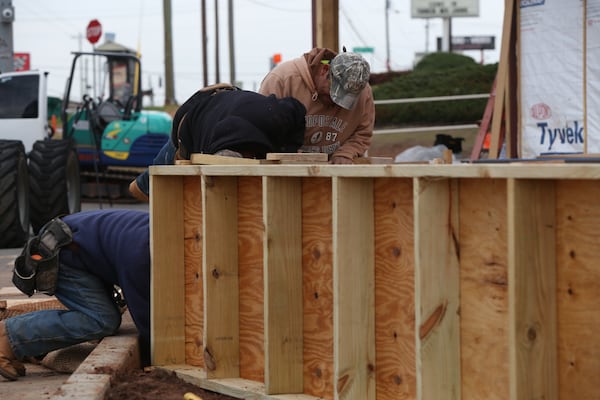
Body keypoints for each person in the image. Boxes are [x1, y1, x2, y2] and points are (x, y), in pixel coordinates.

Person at [0, 209, 151, 381]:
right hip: (62, 253)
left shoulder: (164, 232)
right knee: (101, 320)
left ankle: (19, 345)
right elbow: (146, 316)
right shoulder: (141, 255)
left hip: (73, 244)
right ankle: (9, 336)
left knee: (107, 315)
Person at [129, 83, 307, 201]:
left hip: (223, 101)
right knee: (143, 187)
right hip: (191, 120)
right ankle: (143, 188)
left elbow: (297, 110)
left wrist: (290, 149)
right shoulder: (225, 142)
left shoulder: (280, 117)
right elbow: (222, 164)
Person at [259, 47, 375, 164]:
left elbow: (363, 132)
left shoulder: (362, 92)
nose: (336, 102)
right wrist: (288, 153)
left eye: (345, 100)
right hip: (287, 167)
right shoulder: (282, 80)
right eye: (334, 94)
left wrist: (346, 153)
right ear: (325, 70)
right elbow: (262, 128)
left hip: (333, 169)